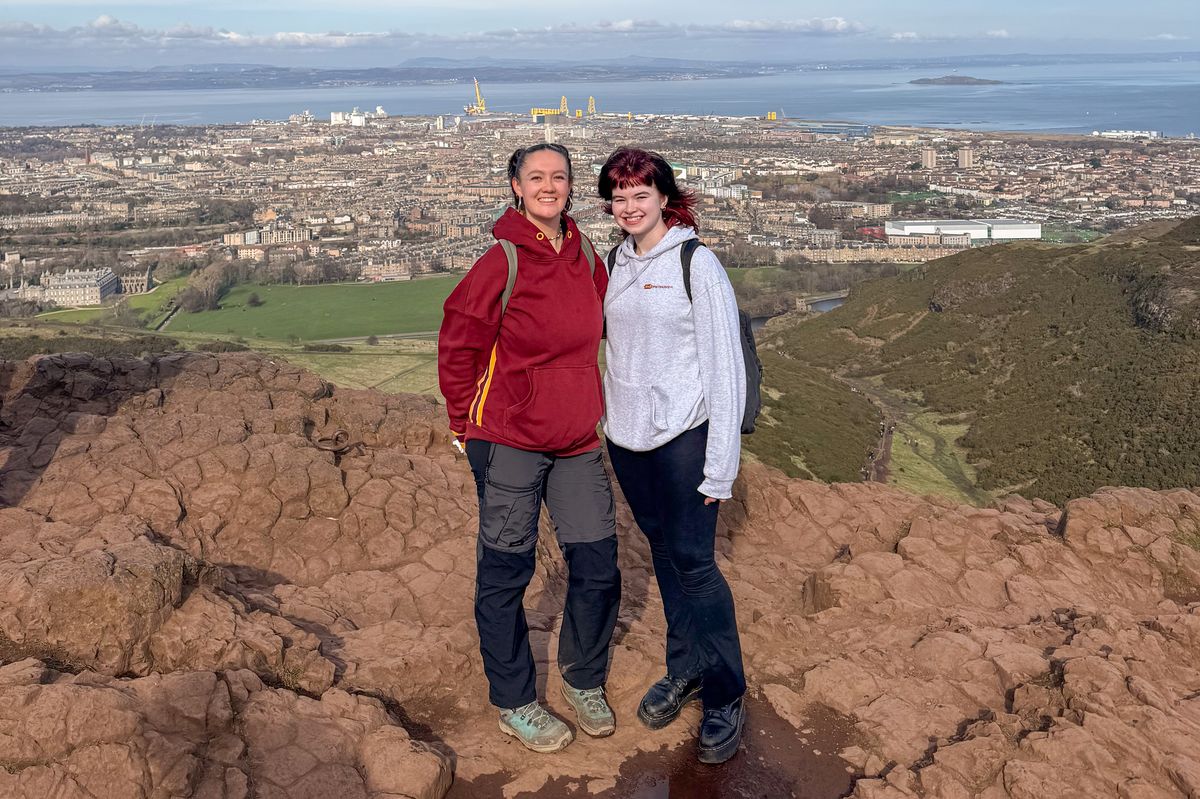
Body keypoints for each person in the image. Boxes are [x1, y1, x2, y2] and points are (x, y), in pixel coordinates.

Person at [437, 143, 621, 754]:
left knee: (596, 564)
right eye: (536, 177)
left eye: (559, 177)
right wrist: (467, 425)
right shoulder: (503, 259)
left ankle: (582, 677)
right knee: (506, 571)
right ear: (516, 186)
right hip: (511, 439)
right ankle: (515, 700)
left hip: (574, 441)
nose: (549, 186)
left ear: (571, 187)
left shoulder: (585, 254)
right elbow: (459, 344)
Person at [598, 146, 747, 764]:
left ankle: (724, 693)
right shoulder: (615, 260)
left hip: (684, 437)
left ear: (665, 197)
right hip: (629, 440)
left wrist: (722, 465)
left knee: (695, 563)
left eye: (641, 194)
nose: (630, 206)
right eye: (620, 196)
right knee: (662, 552)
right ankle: (683, 667)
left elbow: (725, 366)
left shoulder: (696, 262)